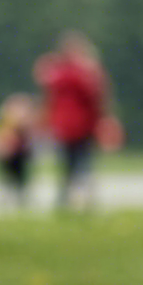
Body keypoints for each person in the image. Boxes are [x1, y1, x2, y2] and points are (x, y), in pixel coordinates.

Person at [33, 32, 109, 213]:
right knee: (80, 162)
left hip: (70, 123)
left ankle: (69, 198)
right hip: (77, 123)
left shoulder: (59, 71)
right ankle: (79, 199)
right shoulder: (81, 72)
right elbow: (95, 94)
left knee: (71, 163)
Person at [0, 93, 36, 210]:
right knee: (6, 177)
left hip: (20, 152)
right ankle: (6, 198)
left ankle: (20, 199)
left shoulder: (25, 120)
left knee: (20, 177)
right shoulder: (6, 119)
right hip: (8, 151)